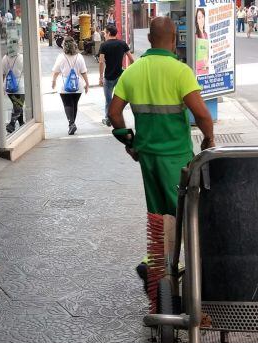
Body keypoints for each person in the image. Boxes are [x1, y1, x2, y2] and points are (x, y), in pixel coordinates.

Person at [108, 16, 215, 284]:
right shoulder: (180, 71)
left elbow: (114, 113)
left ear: (149, 40)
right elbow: (202, 114)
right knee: (185, 212)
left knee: (157, 213)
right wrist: (209, 139)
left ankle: (157, 267)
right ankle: (194, 274)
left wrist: (129, 142)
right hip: (176, 156)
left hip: (147, 157)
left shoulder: (132, 72)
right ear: (176, 40)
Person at [52, 36, 90, 135]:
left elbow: (56, 71)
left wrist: (53, 81)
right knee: (74, 104)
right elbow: (84, 72)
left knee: (67, 104)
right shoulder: (80, 57)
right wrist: (87, 83)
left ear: (64, 46)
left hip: (64, 85)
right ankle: (72, 123)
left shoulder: (61, 57)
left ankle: (71, 123)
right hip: (78, 85)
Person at [98, 25, 134, 126]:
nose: (104, 35)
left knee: (108, 99)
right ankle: (118, 115)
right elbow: (131, 59)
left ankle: (108, 119)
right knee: (120, 98)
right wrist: (129, 71)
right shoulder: (122, 44)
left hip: (108, 77)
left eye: (105, 33)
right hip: (120, 76)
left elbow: (101, 62)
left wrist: (100, 77)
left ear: (109, 33)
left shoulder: (104, 45)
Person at [2, 45, 25, 133]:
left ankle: (22, 123)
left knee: (17, 104)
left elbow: (3, 73)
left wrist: (3, 87)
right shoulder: (21, 57)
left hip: (8, 85)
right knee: (18, 105)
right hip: (20, 85)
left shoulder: (4, 58)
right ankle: (11, 124)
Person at [195, 8, 210, 75]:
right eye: (199, 18)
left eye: (202, 17)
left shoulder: (205, 34)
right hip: (198, 71)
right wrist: (202, 64)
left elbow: (207, 53)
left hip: (206, 69)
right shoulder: (195, 36)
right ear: (196, 21)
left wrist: (207, 63)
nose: (201, 20)